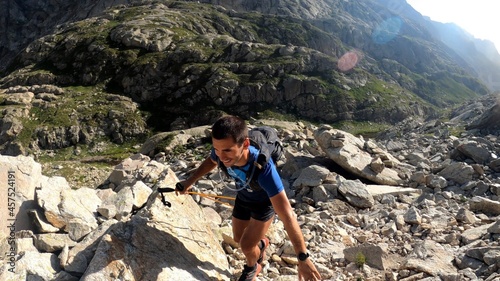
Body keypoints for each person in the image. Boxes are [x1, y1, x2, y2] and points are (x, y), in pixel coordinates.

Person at [178, 115, 322, 281]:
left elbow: (287, 214)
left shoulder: (263, 169)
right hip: (243, 197)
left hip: (263, 205)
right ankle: (261, 245)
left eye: (227, 151)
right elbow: (211, 160)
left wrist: (303, 258)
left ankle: (253, 267)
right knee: (238, 239)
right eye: (217, 149)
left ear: (245, 144)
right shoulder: (221, 149)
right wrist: (189, 181)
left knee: (246, 246)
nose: (221, 157)